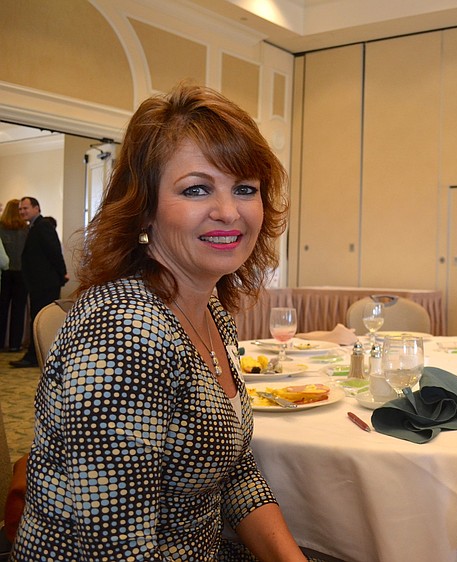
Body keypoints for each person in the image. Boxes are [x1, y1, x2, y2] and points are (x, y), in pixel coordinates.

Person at [12, 83, 308, 561]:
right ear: (144, 209)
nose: (228, 212)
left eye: (245, 189)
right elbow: (116, 549)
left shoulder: (210, 311)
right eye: (197, 189)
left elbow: (234, 469)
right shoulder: (121, 331)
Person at [10, 196, 67, 368]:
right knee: (37, 319)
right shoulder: (35, 227)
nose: (22, 212)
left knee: (40, 320)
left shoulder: (43, 226)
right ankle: (35, 356)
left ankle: (36, 357)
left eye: (25, 208)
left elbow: (54, 251)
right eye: (20, 209)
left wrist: (63, 273)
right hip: (40, 283)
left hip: (45, 283)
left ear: (37, 208)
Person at [0, 199, 30, 352]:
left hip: (4, 272)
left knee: (2, 308)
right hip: (22, 272)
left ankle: (0, 342)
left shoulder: (1, 227)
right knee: (18, 310)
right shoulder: (26, 229)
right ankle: (15, 344)